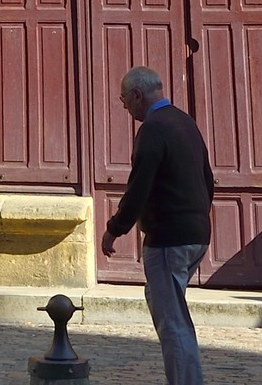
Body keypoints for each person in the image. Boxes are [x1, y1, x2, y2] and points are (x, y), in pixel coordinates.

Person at [100, 65, 214, 385]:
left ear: (137, 95)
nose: (126, 107)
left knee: (172, 323)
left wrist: (115, 228)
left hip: (168, 237)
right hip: (196, 234)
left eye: (124, 100)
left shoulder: (152, 129)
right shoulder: (185, 122)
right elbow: (207, 179)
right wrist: (197, 216)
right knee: (167, 304)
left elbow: (139, 187)